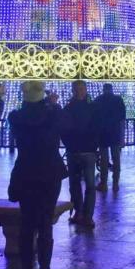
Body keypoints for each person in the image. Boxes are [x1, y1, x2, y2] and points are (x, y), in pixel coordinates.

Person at [8, 81, 67, 269]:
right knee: (45, 223)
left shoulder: (15, 117)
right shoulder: (53, 114)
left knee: (27, 222)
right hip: (49, 174)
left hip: (25, 173)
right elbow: (60, 122)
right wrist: (52, 104)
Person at [61, 80, 98, 227]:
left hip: (83, 151)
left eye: (81, 89)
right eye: (77, 89)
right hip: (78, 150)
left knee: (85, 184)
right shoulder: (75, 108)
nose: (80, 91)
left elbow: (97, 128)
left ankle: (84, 214)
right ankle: (82, 213)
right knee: (78, 184)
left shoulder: (71, 109)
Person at [94, 83, 126, 191]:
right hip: (115, 133)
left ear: (103, 89)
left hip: (103, 133)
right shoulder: (118, 100)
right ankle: (115, 183)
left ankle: (103, 183)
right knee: (116, 158)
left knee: (104, 159)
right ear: (112, 89)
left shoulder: (98, 100)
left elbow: (95, 117)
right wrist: (122, 136)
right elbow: (122, 117)